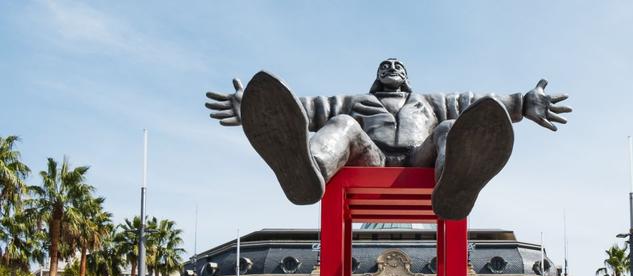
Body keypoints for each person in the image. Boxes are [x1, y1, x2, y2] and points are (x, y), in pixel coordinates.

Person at [205, 59, 571, 220]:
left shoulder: (429, 102)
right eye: (385, 66)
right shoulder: (356, 102)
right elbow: (308, 109)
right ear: (377, 77)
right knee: (342, 122)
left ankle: (455, 182)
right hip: (372, 158)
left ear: (407, 77)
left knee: (449, 128)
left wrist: (522, 103)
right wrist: (256, 109)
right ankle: (309, 171)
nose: (391, 68)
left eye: (398, 66)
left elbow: (473, 104)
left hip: (421, 159)